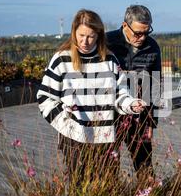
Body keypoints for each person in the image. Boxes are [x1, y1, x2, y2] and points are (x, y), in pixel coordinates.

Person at [36, 9, 146, 182]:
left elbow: (120, 94)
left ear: (99, 36)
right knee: (78, 190)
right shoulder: (61, 60)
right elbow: (44, 98)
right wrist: (65, 124)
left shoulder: (109, 60)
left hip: (106, 138)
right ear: (73, 32)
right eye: (81, 35)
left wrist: (131, 105)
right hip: (74, 139)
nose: (85, 41)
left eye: (90, 36)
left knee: (108, 188)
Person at [106, 5, 162, 179]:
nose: (142, 38)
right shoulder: (107, 42)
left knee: (144, 162)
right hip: (110, 112)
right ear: (125, 25)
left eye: (147, 32)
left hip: (139, 112)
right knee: (109, 165)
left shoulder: (152, 47)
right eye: (138, 33)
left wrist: (151, 122)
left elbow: (156, 85)